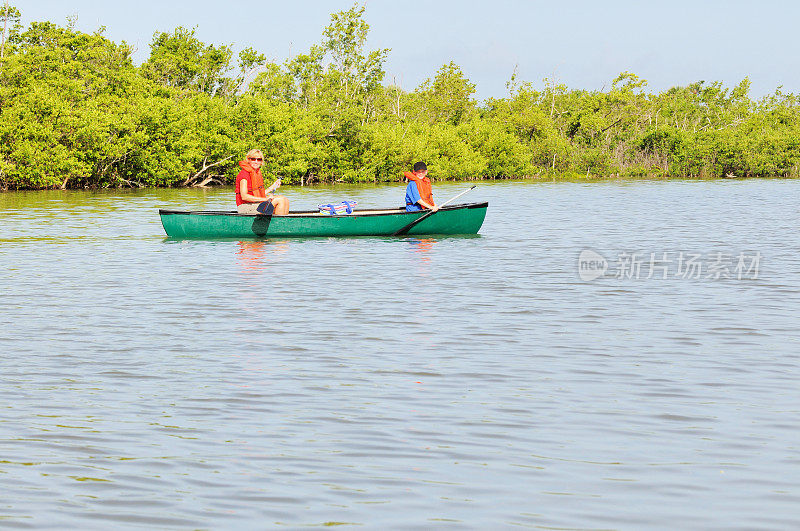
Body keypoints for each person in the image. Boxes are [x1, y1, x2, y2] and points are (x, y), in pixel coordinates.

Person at [235, 149, 290, 215]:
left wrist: (272, 187)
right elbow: (244, 196)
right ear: (248, 160)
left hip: (256, 204)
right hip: (245, 207)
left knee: (285, 199)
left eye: (259, 159)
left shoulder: (256, 173)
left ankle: (283, 223)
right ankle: (279, 224)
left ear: (261, 161)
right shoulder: (244, 174)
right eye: (253, 159)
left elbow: (258, 194)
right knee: (280, 200)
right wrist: (265, 199)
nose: (256, 162)